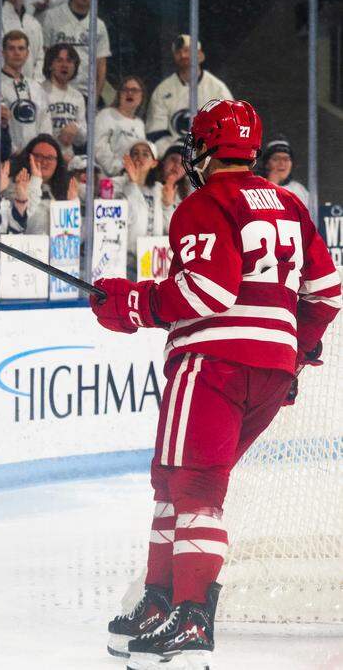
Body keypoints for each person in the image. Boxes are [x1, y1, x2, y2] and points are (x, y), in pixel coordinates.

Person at [91, 99, 341, 667]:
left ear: (203, 148)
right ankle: (161, 602)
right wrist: (293, 352)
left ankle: (191, 620)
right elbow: (327, 293)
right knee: (175, 480)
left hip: (211, 363)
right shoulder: (290, 204)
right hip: (272, 373)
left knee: (195, 488)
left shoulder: (204, 201)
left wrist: (136, 303)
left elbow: (210, 291)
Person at [146, 35, 232, 151]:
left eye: (187, 51)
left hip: (209, 158)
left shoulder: (218, 89)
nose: (183, 55)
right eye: (178, 52)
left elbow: (229, 130)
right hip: (174, 159)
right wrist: (176, 155)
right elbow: (155, 133)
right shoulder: (162, 90)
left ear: (200, 56)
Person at [41, 0, 110, 102]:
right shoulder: (52, 16)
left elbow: (101, 65)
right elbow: (44, 54)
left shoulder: (98, 25)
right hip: (54, 90)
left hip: (84, 92)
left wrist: (95, 98)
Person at [2, 133, 70, 235]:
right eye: (38, 156)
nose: (44, 162)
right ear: (28, 157)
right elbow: (20, 218)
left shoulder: (66, 189)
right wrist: (35, 180)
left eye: (50, 158)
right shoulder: (14, 184)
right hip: (25, 247)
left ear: (58, 162)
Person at [118, 139, 166, 275]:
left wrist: (168, 206)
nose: (139, 158)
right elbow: (124, 218)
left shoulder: (159, 189)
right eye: (135, 153)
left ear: (154, 163)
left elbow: (168, 226)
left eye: (145, 154)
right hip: (126, 261)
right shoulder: (116, 185)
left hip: (155, 262)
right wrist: (132, 185)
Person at [0, 30, 51, 155]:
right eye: (11, 48)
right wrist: (13, 150)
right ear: (3, 53)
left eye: (21, 48)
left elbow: (45, 121)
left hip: (35, 156)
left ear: (27, 54)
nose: (16, 52)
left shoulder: (36, 87)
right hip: (7, 154)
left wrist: (41, 149)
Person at [40, 43, 86, 163]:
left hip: (68, 159)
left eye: (69, 61)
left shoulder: (78, 96)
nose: (65, 65)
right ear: (50, 65)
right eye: (59, 60)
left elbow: (82, 139)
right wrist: (58, 137)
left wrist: (75, 128)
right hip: (43, 156)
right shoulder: (38, 90)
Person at [95, 75, 147, 178]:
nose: (129, 93)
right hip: (108, 178)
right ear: (119, 94)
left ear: (142, 96)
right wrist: (119, 169)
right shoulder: (106, 114)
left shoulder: (140, 124)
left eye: (134, 90)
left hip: (132, 178)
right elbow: (99, 148)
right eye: (125, 90)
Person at [1, 0, 45, 81]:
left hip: (31, 86)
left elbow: (40, 57)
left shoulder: (34, 23)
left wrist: (36, 83)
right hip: (5, 84)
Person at [258, 137, 310, 207]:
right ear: (266, 164)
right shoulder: (254, 187)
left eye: (286, 159)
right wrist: (272, 185)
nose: (282, 163)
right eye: (276, 159)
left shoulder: (300, 191)